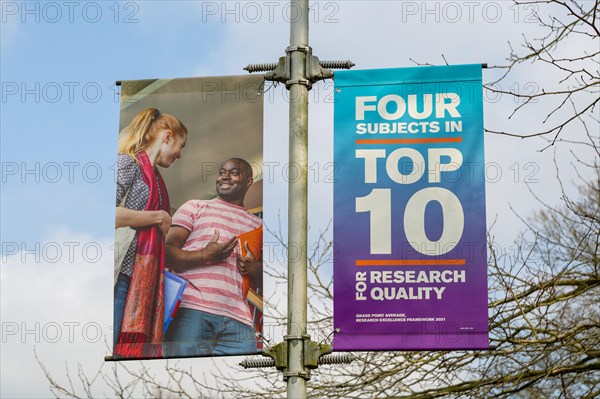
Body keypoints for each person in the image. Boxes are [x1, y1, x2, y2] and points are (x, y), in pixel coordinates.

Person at [164, 158, 262, 357]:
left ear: (249, 182)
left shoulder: (258, 227)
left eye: (234, 172)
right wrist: (205, 255)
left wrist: (256, 270)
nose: (224, 176)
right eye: (221, 171)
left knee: (243, 383)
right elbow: (166, 253)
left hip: (239, 322)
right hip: (192, 310)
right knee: (183, 375)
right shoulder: (195, 207)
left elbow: (275, 280)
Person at [113, 108, 187, 358]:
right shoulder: (127, 163)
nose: (180, 154)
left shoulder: (157, 181)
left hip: (138, 279)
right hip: (120, 276)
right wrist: (157, 217)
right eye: (180, 145)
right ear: (167, 137)